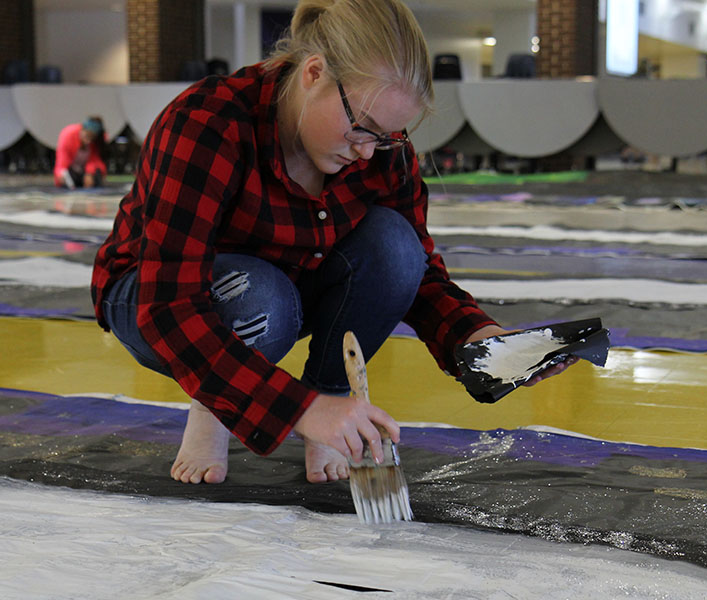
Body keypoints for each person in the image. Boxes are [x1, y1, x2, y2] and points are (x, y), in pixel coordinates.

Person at [91, 0, 577, 486]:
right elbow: (169, 307)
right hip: (154, 294)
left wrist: (479, 341)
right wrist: (301, 409)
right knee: (260, 296)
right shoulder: (207, 122)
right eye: (362, 128)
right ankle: (215, 404)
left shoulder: (379, 148)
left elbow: (418, 272)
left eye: (386, 136)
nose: (367, 150)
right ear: (314, 73)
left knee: (394, 244)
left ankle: (319, 403)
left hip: (285, 280)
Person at [54, 116, 108, 189]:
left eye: (92, 137)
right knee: (65, 181)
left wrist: (90, 172)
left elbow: (95, 159)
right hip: (71, 171)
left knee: (96, 175)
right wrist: (60, 174)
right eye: (87, 136)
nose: (88, 141)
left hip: (85, 172)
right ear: (82, 130)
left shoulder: (97, 141)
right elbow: (61, 161)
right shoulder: (68, 134)